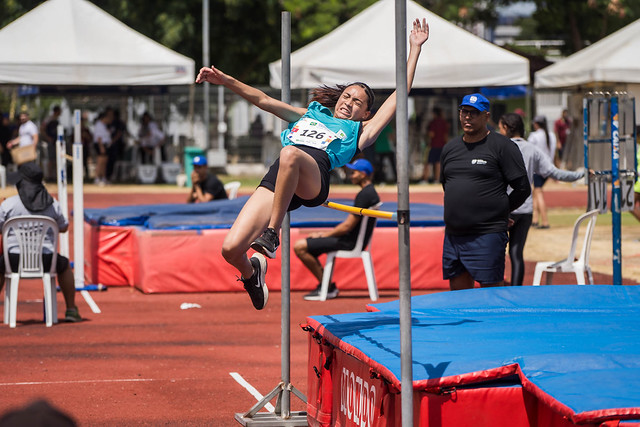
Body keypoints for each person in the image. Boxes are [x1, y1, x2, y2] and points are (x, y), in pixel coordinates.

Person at [195, 18, 429, 310]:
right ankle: (252, 273)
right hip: (277, 178)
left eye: (358, 102)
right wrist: (225, 80)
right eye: (347, 96)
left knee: (290, 154)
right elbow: (263, 100)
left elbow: (399, 95)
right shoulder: (309, 115)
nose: (349, 102)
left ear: (366, 112)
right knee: (230, 249)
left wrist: (414, 49)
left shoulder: (361, 133)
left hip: (312, 177)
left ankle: (272, 233)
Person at [439, 93, 530, 290]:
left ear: (486, 117)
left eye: (474, 113)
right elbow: (447, 185)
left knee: (491, 298)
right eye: (464, 112)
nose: (468, 117)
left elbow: (523, 188)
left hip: (486, 235)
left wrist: (501, 212)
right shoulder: (450, 148)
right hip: (454, 235)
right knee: (459, 300)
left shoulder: (503, 146)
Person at [498, 113, 584, 286]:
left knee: (496, 252)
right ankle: (517, 290)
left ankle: (496, 287)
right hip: (526, 209)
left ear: (506, 128)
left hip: (504, 208)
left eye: (500, 128)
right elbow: (554, 172)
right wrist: (581, 175)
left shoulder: (500, 147)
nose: (499, 132)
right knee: (516, 253)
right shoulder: (531, 149)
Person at [0, 162, 81, 322]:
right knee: (64, 265)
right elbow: (63, 228)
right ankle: (71, 309)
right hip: (46, 260)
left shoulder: (9, 204)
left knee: (0, 266)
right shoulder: (53, 204)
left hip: (13, 260)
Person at [294, 158, 380, 300]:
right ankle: (326, 284)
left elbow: (347, 226)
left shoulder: (365, 195)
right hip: (350, 239)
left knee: (300, 247)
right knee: (308, 245)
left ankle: (327, 287)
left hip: (349, 242)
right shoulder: (370, 193)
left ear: (363, 174)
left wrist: (323, 235)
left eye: (354, 173)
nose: (351, 175)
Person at [528, 115, 557, 229]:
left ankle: (545, 221)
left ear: (536, 124)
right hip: (549, 167)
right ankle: (535, 219)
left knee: (538, 193)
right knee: (536, 192)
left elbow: (529, 151)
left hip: (538, 169)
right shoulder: (552, 135)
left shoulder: (534, 136)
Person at [422, 106, 449, 183]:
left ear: (434, 113)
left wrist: (427, 133)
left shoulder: (433, 122)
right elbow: (445, 135)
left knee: (427, 162)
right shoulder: (444, 122)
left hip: (433, 145)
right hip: (442, 145)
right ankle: (437, 179)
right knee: (438, 163)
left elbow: (431, 134)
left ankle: (425, 179)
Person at [40, 105, 62, 181]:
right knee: (51, 160)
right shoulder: (49, 119)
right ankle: (50, 176)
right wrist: (48, 138)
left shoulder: (56, 120)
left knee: (56, 160)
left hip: (57, 142)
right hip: (51, 142)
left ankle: (55, 175)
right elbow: (42, 129)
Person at [93, 108, 114, 186]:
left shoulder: (104, 125)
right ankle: (97, 178)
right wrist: (101, 147)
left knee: (104, 162)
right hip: (101, 145)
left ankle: (103, 178)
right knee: (100, 162)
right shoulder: (99, 125)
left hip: (105, 144)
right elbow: (99, 138)